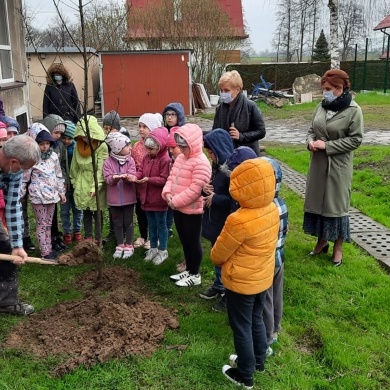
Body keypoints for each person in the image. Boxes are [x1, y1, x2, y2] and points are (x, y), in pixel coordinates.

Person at [210, 158, 280, 389]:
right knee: (256, 320)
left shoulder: (238, 219)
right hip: (262, 278)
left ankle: (245, 374)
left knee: (241, 326)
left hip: (241, 283)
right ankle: (258, 361)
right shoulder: (272, 209)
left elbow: (218, 255)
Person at [304, 69, 363, 266]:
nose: (324, 93)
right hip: (318, 165)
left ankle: (338, 247)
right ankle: (321, 242)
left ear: (340, 88)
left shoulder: (353, 110)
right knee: (319, 204)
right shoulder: (321, 107)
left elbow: (356, 140)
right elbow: (312, 129)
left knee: (336, 207)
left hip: (338, 167)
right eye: (323, 89)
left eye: (328, 89)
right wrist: (310, 142)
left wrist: (327, 146)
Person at [162, 124, 211, 287]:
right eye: (180, 147)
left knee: (193, 241)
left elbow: (195, 190)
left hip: (191, 210)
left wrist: (174, 202)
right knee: (184, 240)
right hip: (177, 208)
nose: (182, 150)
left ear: (194, 144)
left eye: (185, 147)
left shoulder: (201, 163)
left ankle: (195, 274)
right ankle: (189, 269)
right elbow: (171, 178)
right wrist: (167, 193)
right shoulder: (181, 158)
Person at [0, 135, 41, 316]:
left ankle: (6, 302)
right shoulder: (14, 168)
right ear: (14, 161)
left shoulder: (13, 171)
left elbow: (13, 205)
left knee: (5, 248)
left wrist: (17, 245)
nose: (23, 173)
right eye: (24, 168)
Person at [199, 129, 234, 302]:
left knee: (226, 258)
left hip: (225, 222)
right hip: (214, 221)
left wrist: (216, 198)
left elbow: (234, 199)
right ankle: (219, 284)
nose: (210, 156)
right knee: (216, 254)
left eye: (211, 153)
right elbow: (211, 188)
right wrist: (204, 189)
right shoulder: (216, 166)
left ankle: (228, 292)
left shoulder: (230, 171)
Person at [20, 131, 66, 260]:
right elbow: (25, 178)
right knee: (41, 224)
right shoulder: (32, 158)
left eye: (47, 143)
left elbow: (58, 175)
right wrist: (22, 194)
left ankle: (49, 248)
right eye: (41, 144)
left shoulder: (54, 157)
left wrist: (61, 192)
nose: (45, 146)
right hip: (38, 195)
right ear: (37, 144)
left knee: (49, 224)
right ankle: (45, 252)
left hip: (51, 195)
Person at [129, 127, 171, 265]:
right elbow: (141, 171)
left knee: (161, 225)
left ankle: (163, 250)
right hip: (147, 199)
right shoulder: (147, 158)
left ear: (160, 146)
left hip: (159, 200)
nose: (148, 152)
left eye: (151, 149)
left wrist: (149, 179)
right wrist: (134, 176)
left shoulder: (165, 160)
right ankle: (153, 248)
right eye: (147, 149)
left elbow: (164, 180)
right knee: (151, 225)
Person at [261, 156, 288, 357]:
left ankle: (268, 337)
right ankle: (276, 328)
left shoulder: (265, 208)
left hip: (267, 261)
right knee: (276, 294)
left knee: (265, 299)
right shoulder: (281, 203)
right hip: (280, 257)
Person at [70, 115, 108, 242]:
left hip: (95, 181)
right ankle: (88, 237)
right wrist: (74, 181)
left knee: (97, 212)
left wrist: (95, 186)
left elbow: (101, 169)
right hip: (81, 182)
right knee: (85, 212)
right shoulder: (78, 146)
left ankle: (98, 237)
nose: (85, 139)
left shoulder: (101, 147)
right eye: (83, 135)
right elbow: (74, 166)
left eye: (88, 135)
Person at [212, 70, 266, 156]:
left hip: (247, 157)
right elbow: (214, 132)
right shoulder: (219, 109)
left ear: (237, 89)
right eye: (221, 90)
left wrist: (241, 136)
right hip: (225, 155)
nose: (223, 93)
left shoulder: (250, 106)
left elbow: (261, 131)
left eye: (226, 90)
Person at [103, 132, 137, 259]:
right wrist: (115, 178)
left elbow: (133, 173)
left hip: (128, 199)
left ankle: (129, 244)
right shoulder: (108, 162)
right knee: (117, 222)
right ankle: (120, 244)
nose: (130, 148)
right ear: (118, 148)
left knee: (128, 222)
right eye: (127, 146)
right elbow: (107, 178)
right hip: (114, 200)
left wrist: (129, 177)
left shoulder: (130, 161)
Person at [132, 113, 162, 250]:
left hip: (153, 187)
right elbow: (133, 164)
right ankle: (143, 235)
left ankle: (153, 237)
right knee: (140, 212)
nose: (141, 129)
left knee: (154, 214)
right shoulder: (136, 146)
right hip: (139, 187)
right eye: (140, 126)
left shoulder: (158, 147)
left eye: (145, 127)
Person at [42, 114, 68, 252]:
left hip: (55, 187)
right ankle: (49, 239)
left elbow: (62, 165)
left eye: (60, 133)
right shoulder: (43, 147)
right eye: (56, 132)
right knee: (45, 218)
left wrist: (63, 181)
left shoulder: (59, 146)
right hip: (43, 189)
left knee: (54, 212)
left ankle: (55, 235)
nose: (58, 136)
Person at [60, 120, 83, 245]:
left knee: (78, 209)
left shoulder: (77, 149)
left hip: (76, 186)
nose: (66, 141)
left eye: (69, 138)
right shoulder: (59, 149)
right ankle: (67, 232)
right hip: (63, 186)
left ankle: (77, 231)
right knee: (64, 211)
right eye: (64, 138)